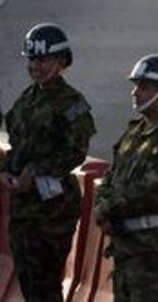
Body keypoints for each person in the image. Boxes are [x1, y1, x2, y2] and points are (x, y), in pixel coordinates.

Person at [1, 24, 95, 302]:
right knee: (29, 282)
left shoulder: (73, 103)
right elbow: (16, 148)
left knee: (46, 285)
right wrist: (5, 172)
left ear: (61, 61)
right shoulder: (25, 100)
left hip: (53, 212)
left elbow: (76, 152)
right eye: (31, 60)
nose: (35, 66)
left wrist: (37, 170)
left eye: (42, 60)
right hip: (23, 210)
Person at [94, 55, 158, 302]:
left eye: (144, 87)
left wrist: (107, 208)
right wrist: (102, 206)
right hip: (126, 245)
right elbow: (112, 175)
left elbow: (151, 190)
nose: (135, 92)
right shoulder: (135, 131)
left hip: (152, 250)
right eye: (136, 85)